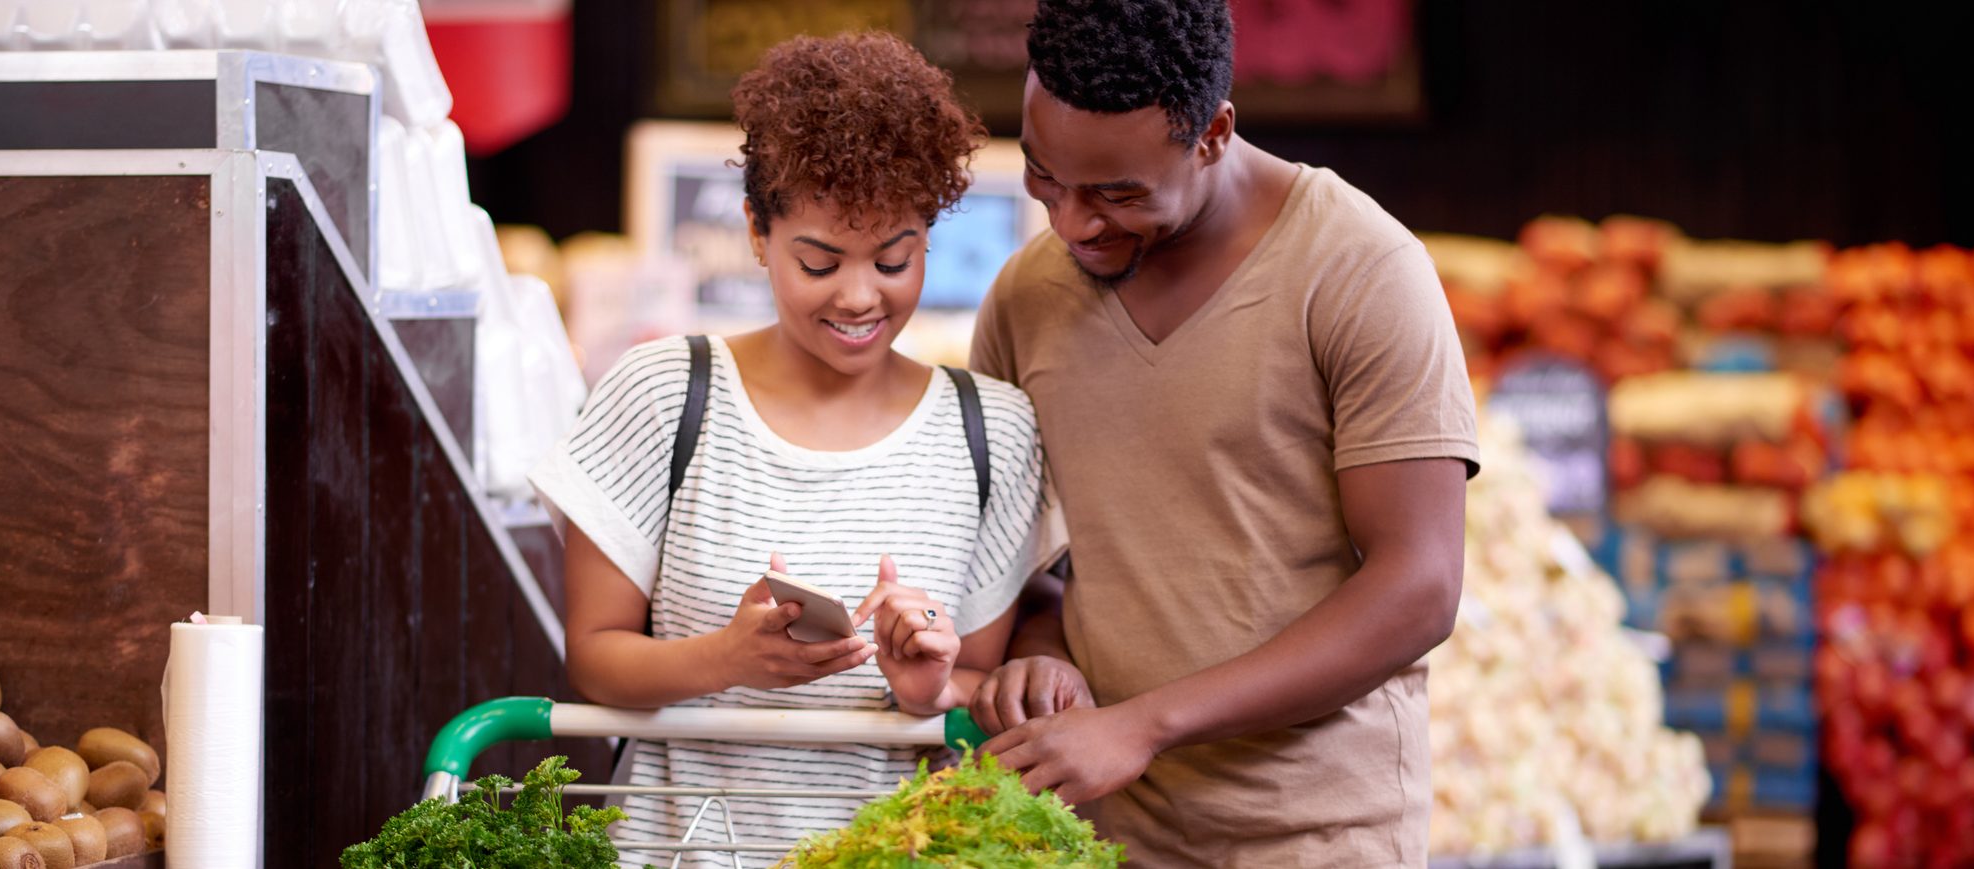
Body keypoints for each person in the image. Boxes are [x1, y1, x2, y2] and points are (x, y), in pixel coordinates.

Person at [965, 1, 1478, 865]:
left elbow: (1418, 586)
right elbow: (1031, 569)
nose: (1072, 224)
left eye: (1119, 194)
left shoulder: (1359, 270)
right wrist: (1043, 654)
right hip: (1100, 836)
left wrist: (1145, 724)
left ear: (1213, 133)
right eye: (1044, 177)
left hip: (1318, 834)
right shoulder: (1025, 300)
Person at [527, 32, 1049, 869]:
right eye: (819, 260)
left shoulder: (991, 429)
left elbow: (974, 687)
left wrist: (925, 684)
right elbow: (595, 660)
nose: (858, 295)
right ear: (758, 233)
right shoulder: (664, 393)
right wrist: (727, 658)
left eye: (894, 258)